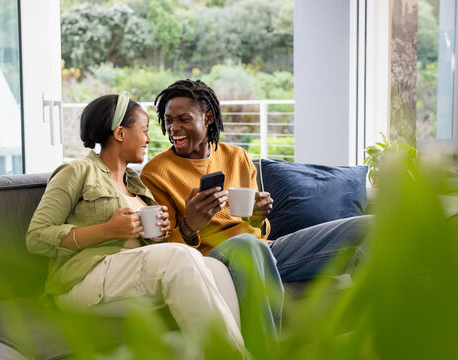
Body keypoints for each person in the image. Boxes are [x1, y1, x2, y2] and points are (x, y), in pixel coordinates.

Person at [25, 92, 270, 358]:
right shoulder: (76, 171)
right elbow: (36, 237)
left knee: (216, 268)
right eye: (143, 130)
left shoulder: (137, 184)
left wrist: (159, 233)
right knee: (179, 257)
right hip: (83, 278)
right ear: (119, 133)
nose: (149, 139)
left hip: (127, 275)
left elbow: (151, 250)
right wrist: (107, 230)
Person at [140, 79, 370, 300]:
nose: (173, 128)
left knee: (368, 226)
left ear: (208, 117)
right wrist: (191, 225)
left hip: (264, 253)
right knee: (246, 245)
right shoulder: (156, 173)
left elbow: (259, 231)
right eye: (169, 120)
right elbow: (163, 254)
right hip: (214, 262)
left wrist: (259, 218)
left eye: (183, 119)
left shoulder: (236, 156)